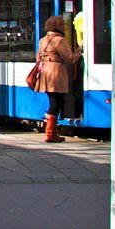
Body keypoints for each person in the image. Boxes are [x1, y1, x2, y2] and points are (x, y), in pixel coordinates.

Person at [31, 15, 81, 143]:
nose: (65, 26)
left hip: (45, 73)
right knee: (57, 102)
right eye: (63, 25)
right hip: (56, 73)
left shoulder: (42, 40)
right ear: (59, 27)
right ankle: (50, 133)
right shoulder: (60, 40)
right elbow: (69, 58)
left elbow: (38, 58)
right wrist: (80, 50)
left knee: (53, 100)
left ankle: (51, 131)